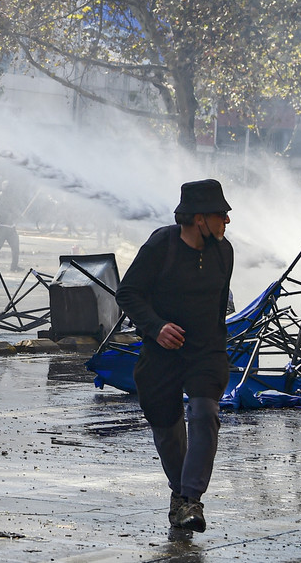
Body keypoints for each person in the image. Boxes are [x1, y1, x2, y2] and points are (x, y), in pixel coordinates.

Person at [115, 179, 233, 533]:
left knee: (204, 412)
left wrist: (217, 349)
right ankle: (180, 496)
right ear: (199, 219)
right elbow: (129, 294)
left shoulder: (224, 252)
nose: (226, 223)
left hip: (206, 351)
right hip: (162, 353)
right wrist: (156, 326)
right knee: (167, 427)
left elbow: (218, 306)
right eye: (220, 216)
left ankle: (192, 498)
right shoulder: (160, 245)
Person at [0, 179, 21, 271]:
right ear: (4, 187)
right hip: (1, 226)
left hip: (10, 227)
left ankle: (14, 266)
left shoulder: (11, 197)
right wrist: (7, 215)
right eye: (7, 186)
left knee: (15, 247)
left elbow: (13, 208)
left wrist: (17, 214)